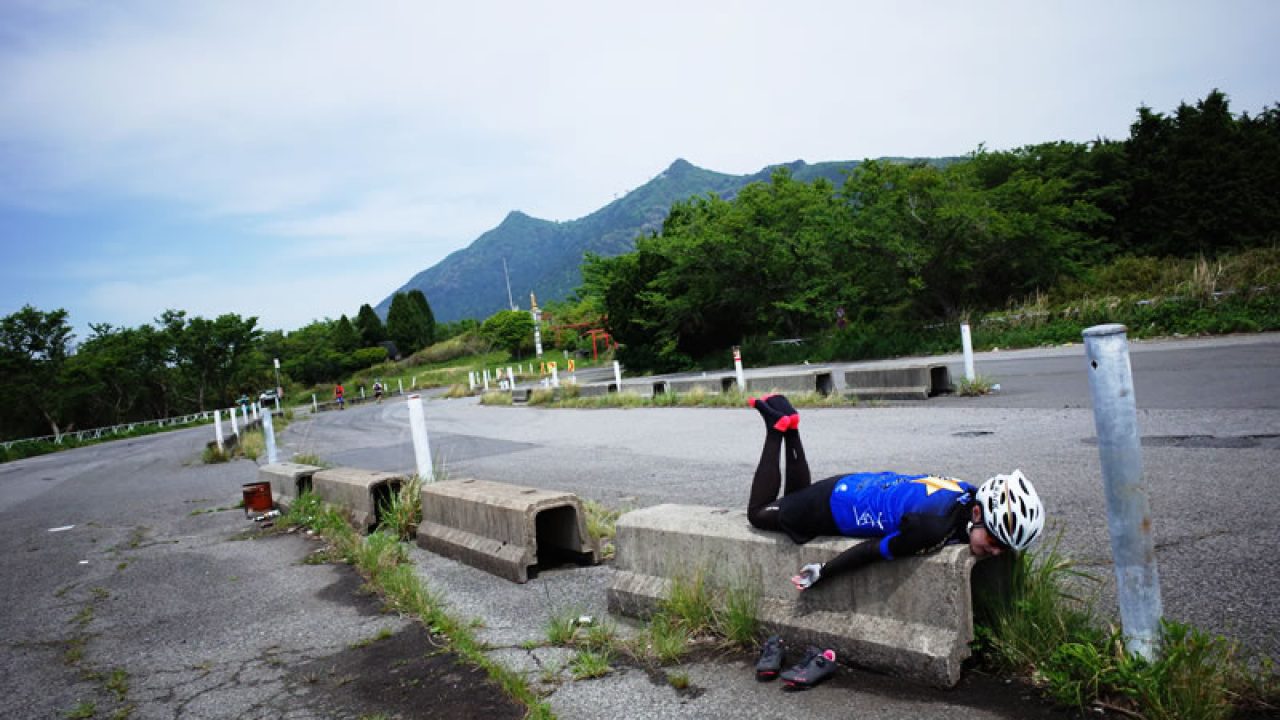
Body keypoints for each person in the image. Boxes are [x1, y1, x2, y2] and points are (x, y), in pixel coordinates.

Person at [745, 393, 1046, 688]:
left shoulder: (968, 494)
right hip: (833, 506)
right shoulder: (933, 528)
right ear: (977, 513)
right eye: (994, 539)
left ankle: (790, 425)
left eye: (1003, 547)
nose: (994, 551)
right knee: (759, 513)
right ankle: (776, 430)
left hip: (855, 485)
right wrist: (824, 570)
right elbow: (874, 550)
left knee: (792, 502)